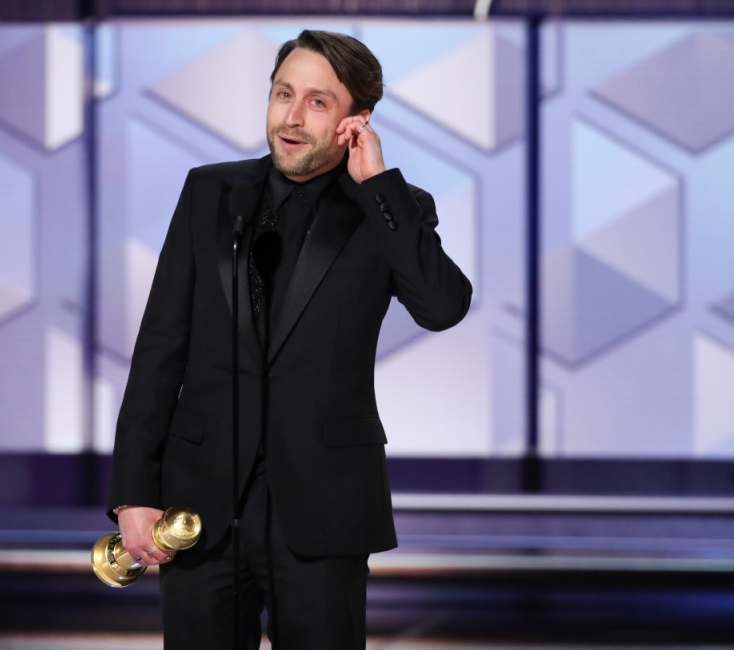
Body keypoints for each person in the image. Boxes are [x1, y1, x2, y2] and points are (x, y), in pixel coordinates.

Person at [105, 30, 473, 649]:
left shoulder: (389, 209)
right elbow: (160, 346)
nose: (292, 117)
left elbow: (442, 307)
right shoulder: (210, 192)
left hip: (322, 508)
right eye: (283, 94)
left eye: (318, 102)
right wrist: (134, 491)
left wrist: (377, 184)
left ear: (356, 120)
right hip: (201, 508)